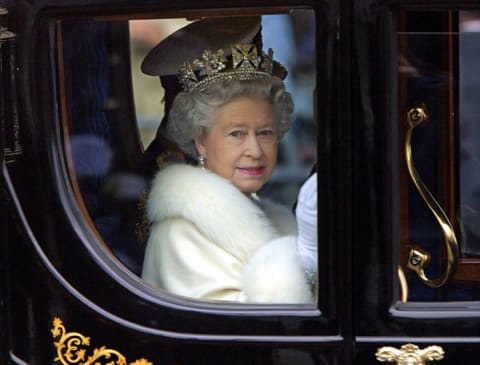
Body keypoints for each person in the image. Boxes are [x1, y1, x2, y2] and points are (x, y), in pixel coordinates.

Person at [140, 17, 317, 303]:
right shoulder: (180, 234)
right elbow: (244, 333)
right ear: (200, 140)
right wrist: (304, 262)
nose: (255, 150)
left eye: (265, 132)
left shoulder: (270, 216)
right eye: (236, 133)